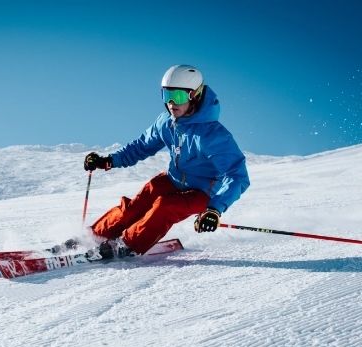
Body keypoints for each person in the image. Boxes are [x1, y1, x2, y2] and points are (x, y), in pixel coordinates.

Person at [83, 64, 250, 258]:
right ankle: (94, 236)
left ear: (194, 95)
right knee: (137, 205)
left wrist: (215, 209)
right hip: (173, 179)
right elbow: (141, 147)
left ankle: (126, 245)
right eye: (166, 95)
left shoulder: (213, 136)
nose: (171, 103)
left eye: (178, 96)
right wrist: (108, 160)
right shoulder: (166, 122)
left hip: (204, 192)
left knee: (165, 206)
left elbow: (237, 176)